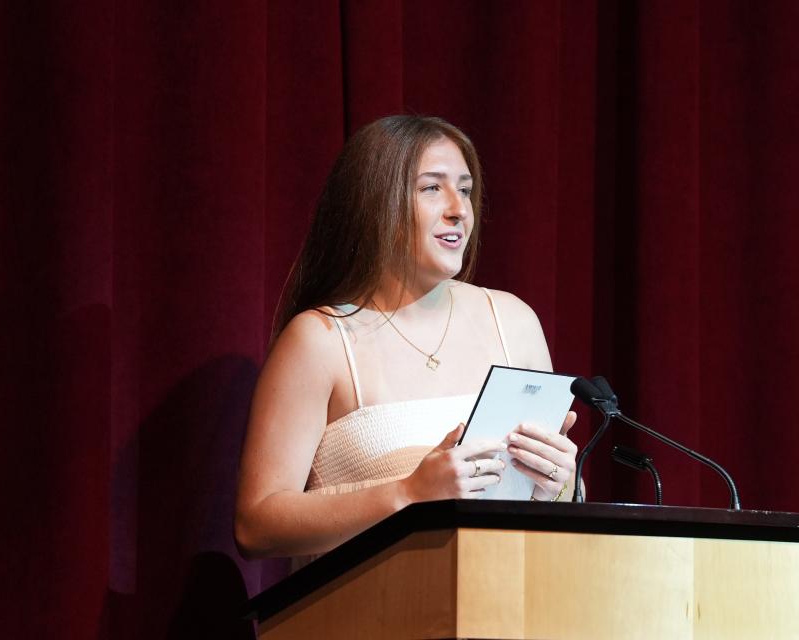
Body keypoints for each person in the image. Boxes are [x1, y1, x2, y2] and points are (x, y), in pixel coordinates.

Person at [234, 115, 577, 561]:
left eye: (466, 189)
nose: (458, 208)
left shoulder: (514, 322)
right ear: (377, 203)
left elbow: (556, 511)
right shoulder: (319, 340)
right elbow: (257, 525)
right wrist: (409, 493)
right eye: (432, 188)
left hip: (507, 604)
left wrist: (561, 484)